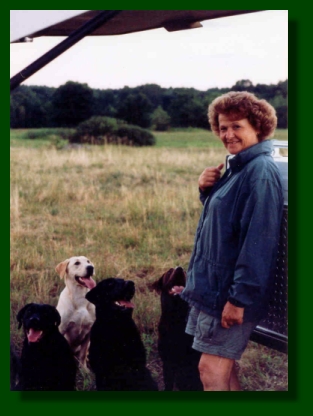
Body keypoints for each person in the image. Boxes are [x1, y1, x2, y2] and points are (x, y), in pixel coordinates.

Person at [180, 91, 284, 391]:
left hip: (228, 294)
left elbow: (259, 244)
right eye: (223, 127)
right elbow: (226, 223)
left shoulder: (259, 172)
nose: (228, 134)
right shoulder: (236, 167)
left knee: (210, 372)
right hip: (212, 288)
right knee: (223, 370)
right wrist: (206, 190)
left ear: (258, 127)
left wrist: (238, 300)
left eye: (236, 126)